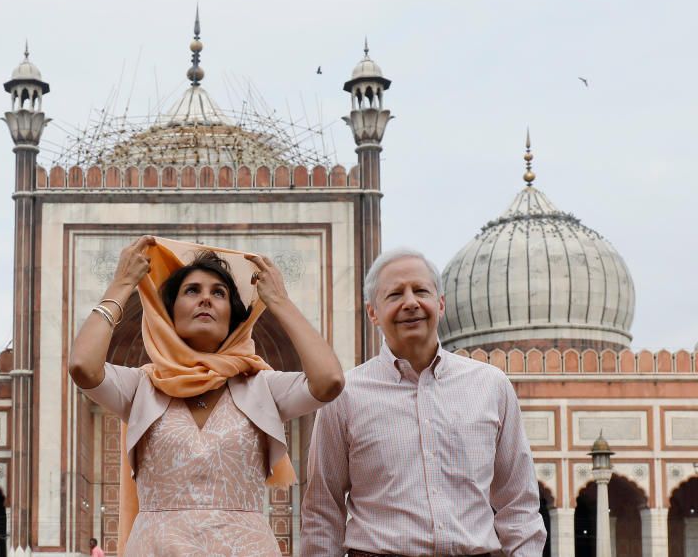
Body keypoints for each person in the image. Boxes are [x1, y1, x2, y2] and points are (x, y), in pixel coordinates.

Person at [69, 236, 344, 556]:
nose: (206, 299)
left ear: (233, 316)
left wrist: (279, 301)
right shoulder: (142, 387)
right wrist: (121, 284)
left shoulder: (261, 387)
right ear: (168, 313)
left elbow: (329, 381)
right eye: (192, 291)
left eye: (219, 293)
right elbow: (83, 367)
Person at [302, 247, 547, 557]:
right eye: (394, 295)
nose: (411, 303)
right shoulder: (346, 395)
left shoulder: (490, 385)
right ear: (372, 312)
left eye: (420, 291)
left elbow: (518, 503)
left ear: (440, 304)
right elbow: (323, 510)